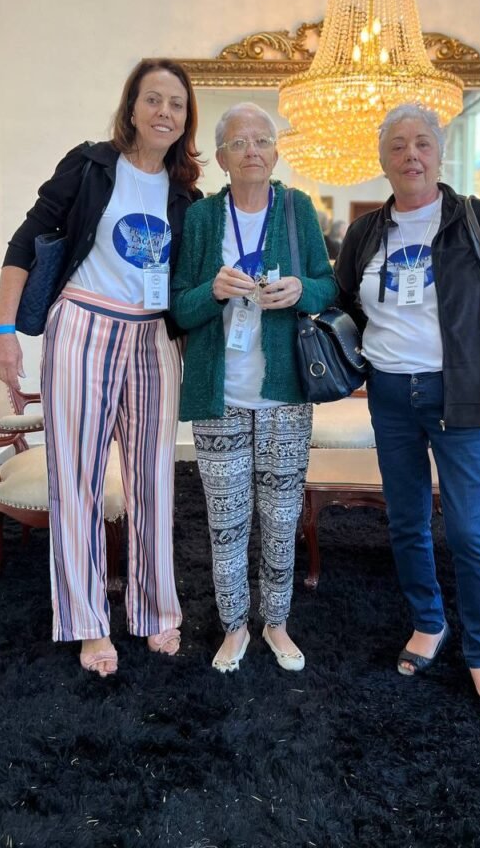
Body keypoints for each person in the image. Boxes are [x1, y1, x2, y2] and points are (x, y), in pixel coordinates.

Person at [0, 58, 203, 677]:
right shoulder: (89, 166)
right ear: (131, 107)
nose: (164, 112)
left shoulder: (186, 195)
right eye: (153, 99)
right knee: (77, 477)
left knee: (154, 479)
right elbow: (25, 242)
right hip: (83, 325)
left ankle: (154, 609)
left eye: (177, 104)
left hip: (154, 336)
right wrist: (3, 330)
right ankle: (87, 623)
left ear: (186, 120)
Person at [334, 103, 480, 726]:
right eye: (398, 145)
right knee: (405, 521)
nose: (411, 155)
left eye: (422, 142)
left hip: (463, 394)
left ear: (440, 153)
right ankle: (429, 622)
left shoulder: (473, 219)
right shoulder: (366, 232)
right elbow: (345, 303)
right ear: (382, 160)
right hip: (390, 396)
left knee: (471, 532)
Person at [171, 102, 336, 673]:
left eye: (262, 140)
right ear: (220, 157)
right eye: (239, 142)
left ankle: (277, 622)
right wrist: (212, 291)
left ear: (276, 151)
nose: (252, 151)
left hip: (285, 396)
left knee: (282, 518)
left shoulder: (297, 208)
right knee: (226, 521)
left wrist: (301, 290)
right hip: (219, 398)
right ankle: (234, 626)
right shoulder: (201, 219)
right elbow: (179, 308)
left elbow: (328, 287)